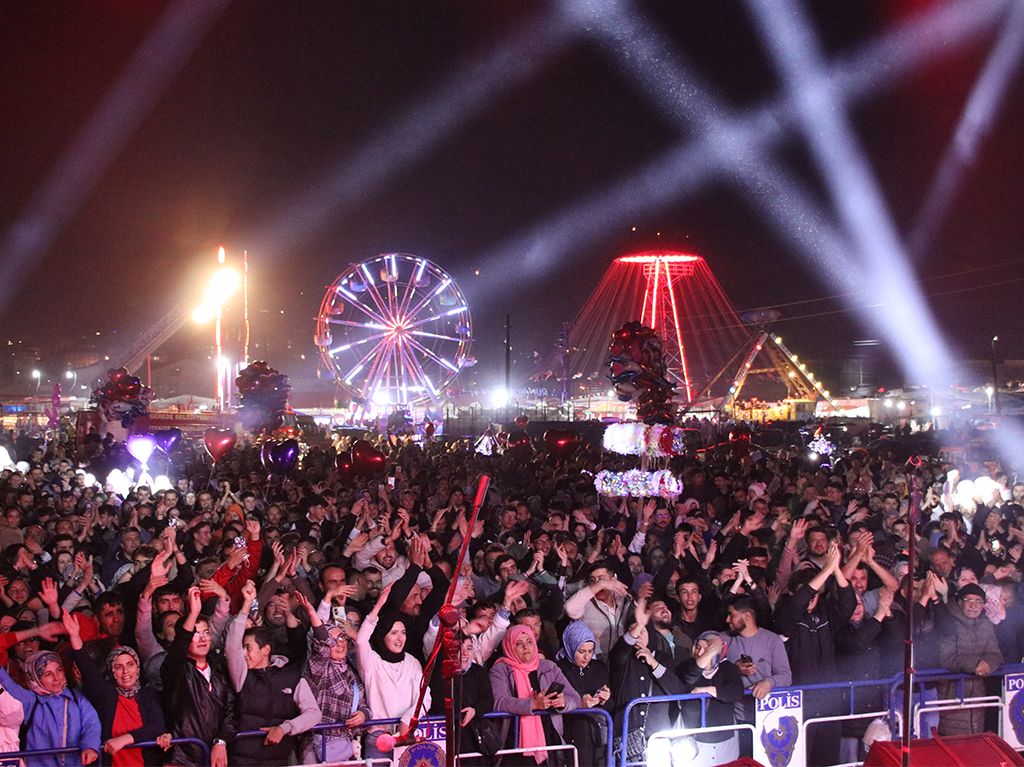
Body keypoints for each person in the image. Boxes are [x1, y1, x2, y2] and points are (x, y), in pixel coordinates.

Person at [226, 580, 321, 765]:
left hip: (278, 759)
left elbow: (314, 714)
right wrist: (246, 605)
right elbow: (231, 649)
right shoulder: (242, 675)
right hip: (242, 759)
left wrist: (284, 728)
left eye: (248, 648)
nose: (243, 653)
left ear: (266, 650)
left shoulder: (291, 676)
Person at [62, 610, 167, 767]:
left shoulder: (149, 694)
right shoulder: (106, 694)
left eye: (130, 665)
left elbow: (157, 727)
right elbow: (87, 670)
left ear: (138, 668)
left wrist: (125, 739)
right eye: (118, 667)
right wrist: (75, 637)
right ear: (112, 672)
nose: (125, 671)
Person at [161, 586, 235, 767]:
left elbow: (231, 710)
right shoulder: (176, 669)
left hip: (215, 757)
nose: (202, 639)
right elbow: (178, 649)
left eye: (206, 633)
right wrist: (193, 613)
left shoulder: (219, 667)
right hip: (181, 758)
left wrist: (221, 741)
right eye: (195, 634)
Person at [356, 583, 430, 762]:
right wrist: (378, 607)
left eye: (403, 632)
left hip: (407, 734)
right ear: (383, 635)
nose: (400, 638)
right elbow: (360, 641)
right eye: (394, 633)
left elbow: (425, 697)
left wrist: (408, 719)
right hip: (379, 737)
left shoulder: (412, 662)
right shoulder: (372, 662)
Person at [294, 590, 371, 763]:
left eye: (342, 638)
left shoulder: (352, 671)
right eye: (333, 640)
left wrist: (363, 714)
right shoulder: (318, 667)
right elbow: (321, 641)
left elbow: (364, 704)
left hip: (345, 746)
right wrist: (312, 612)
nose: (340, 644)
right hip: (316, 746)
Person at [490, 624, 581, 766]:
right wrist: (533, 704)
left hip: (549, 740)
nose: (525, 647)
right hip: (513, 743)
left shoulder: (549, 667)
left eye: (529, 642)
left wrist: (563, 703)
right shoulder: (500, 670)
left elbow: (574, 698)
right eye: (518, 644)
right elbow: (499, 702)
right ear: (509, 647)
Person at [0, 649, 101, 767]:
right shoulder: (31, 701)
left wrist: (90, 746)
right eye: (48, 674)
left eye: (59, 670)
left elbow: (91, 724)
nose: (56, 678)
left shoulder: (77, 698)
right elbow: (7, 683)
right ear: (35, 678)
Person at [938, 583, 1003, 735]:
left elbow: (995, 653)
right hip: (951, 694)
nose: (974, 606)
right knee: (952, 741)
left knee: (975, 738)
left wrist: (988, 663)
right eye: (969, 600)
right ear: (960, 602)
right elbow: (946, 657)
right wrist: (975, 665)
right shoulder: (948, 622)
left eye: (979, 601)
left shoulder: (986, 624)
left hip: (978, 695)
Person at [671, 631, 744, 767]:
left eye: (706, 649)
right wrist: (709, 653)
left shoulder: (727, 668)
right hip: (694, 739)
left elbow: (736, 691)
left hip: (724, 737)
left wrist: (708, 690)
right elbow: (688, 676)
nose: (700, 653)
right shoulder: (686, 667)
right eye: (698, 648)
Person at [555, 621, 609, 767]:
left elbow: (611, 702)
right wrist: (579, 703)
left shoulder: (599, 668)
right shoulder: (558, 669)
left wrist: (604, 698)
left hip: (597, 733)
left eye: (590, 651)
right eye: (581, 651)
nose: (586, 657)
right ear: (570, 647)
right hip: (571, 731)